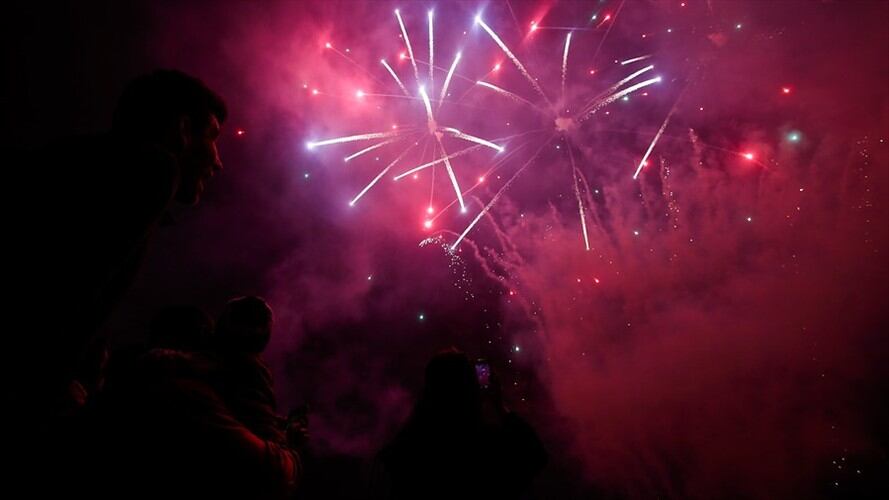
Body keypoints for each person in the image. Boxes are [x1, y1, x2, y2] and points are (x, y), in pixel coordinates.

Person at [10, 69, 227, 417]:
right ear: (183, 130)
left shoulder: (87, 164)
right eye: (213, 137)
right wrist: (51, 385)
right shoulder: (154, 168)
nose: (218, 161)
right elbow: (62, 294)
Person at [374, 349, 547, 500]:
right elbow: (535, 455)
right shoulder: (486, 448)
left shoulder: (407, 447)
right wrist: (499, 405)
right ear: (470, 390)